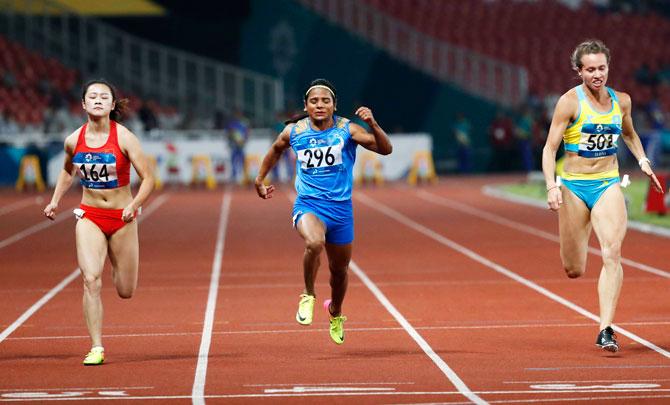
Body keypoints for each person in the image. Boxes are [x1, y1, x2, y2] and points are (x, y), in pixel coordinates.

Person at [542, 40, 664, 352]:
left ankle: (606, 328)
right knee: (574, 269)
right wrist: (551, 186)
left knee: (612, 252)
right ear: (579, 71)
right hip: (573, 186)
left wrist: (644, 162)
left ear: (608, 67)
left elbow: (630, 134)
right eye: (591, 69)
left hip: (608, 182)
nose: (598, 74)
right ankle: (598, 311)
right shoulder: (569, 103)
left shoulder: (621, 101)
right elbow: (549, 148)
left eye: (602, 68)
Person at [254, 79, 392, 344]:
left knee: (339, 271)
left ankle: (336, 312)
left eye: (325, 101)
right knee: (314, 242)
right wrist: (259, 179)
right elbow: (275, 149)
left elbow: (385, 149)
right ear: (306, 105)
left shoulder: (347, 130)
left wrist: (372, 124)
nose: (320, 105)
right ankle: (308, 294)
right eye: (314, 101)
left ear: (334, 105)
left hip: (340, 210)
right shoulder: (294, 131)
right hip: (309, 204)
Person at [43, 79, 154, 365]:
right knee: (90, 279)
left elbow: (149, 179)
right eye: (92, 96)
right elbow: (68, 171)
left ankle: (118, 265)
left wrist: (134, 205)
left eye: (104, 97)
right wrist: (55, 200)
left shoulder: (125, 138)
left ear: (112, 105)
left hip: (122, 218)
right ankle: (96, 347)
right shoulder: (73, 140)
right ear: (83, 104)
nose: (97, 100)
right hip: (89, 216)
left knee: (125, 290)